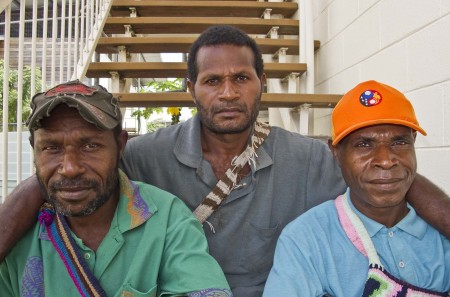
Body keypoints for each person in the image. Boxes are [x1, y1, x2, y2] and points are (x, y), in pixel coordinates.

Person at [0, 26, 449, 297]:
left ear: (262, 83)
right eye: (213, 80)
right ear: (190, 86)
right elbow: (73, 169)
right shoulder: (143, 155)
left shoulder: (310, 158)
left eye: (241, 78)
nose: (229, 93)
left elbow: (383, 171)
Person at [0, 80, 232, 296]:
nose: (70, 168)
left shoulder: (167, 219)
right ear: (34, 149)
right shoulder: (16, 234)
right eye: (51, 148)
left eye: (90, 146)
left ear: (120, 145)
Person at [263, 80, 450, 296]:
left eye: (399, 142)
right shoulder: (306, 239)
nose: (386, 160)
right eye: (364, 144)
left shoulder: (440, 228)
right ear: (335, 152)